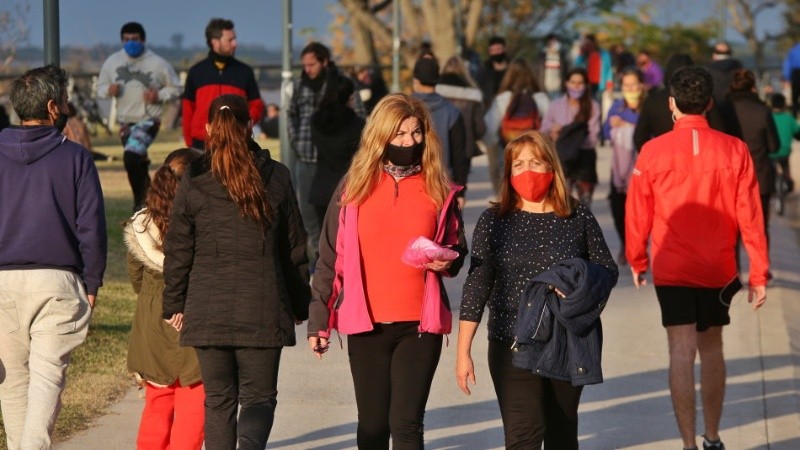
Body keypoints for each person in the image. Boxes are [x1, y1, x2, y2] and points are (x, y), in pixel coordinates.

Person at [307, 93, 468, 450]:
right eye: (399, 135)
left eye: (415, 133)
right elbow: (330, 258)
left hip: (419, 326)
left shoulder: (438, 187)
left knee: (407, 424)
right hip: (367, 326)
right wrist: (320, 319)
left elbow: (457, 248)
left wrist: (448, 260)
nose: (409, 143)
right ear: (380, 137)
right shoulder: (353, 188)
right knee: (374, 426)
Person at [625, 66, 769, 450]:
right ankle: (713, 437)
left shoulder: (652, 151)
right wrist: (759, 272)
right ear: (708, 103)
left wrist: (637, 260)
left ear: (672, 104)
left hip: (672, 265)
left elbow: (637, 212)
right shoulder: (735, 149)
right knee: (713, 348)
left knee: (680, 350)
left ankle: (688, 444)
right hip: (718, 267)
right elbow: (751, 216)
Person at [162, 94, 310, 450]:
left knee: (218, 401)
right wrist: (301, 304)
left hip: (207, 310)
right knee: (258, 399)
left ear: (209, 128)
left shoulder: (194, 179)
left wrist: (174, 303)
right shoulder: (276, 177)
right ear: (249, 126)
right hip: (262, 308)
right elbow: (294, 249)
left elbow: (179, 247)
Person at [457, 131, 617, 449]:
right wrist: (463, 351)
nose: (527, 170)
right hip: (511, 343)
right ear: (508, 173)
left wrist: (578, 286)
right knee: (523, 436)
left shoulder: (577, 215)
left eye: (535, 162)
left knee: (562, 433)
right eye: (518, 164)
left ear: (551, 167)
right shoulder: (494, 221)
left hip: (567, 341)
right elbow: (477, 286)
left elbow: (606, 271)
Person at [0, 64, 107, 450]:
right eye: (63, 101)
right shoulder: (75, 158)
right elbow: (91, 228)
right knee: (46, 384)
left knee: (12, 385)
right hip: (57, 281)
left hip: (2, 284)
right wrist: (92, 281)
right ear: (50, 107)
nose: (67, 107)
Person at [124, 148, 205, 450]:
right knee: (194, 405)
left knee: (157, 404)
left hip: (153, 324)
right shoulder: (204, 224)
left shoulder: (142, 227)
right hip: (193, 319)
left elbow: (136, 279)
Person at [288, 41, 366, 271]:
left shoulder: (341, 84)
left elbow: (359, 114)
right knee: (308, 210)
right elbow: (291, 114)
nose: (308, 69)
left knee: (339, 208)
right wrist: (295, 139)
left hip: (334, 155)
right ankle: (319, 256)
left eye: (312, 64)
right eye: (305, 65)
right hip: (306, 153)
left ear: (324, 62)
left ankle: (338, 258)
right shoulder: (300, 85)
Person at [97, 21, 181, 212]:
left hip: (149, 119)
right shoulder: (113, 62)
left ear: (143, 40)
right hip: (125, 120)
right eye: (126, 40)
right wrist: (109, 90)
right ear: (121, 41)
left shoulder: (158, 63)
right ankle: (152, 203)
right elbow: (99, 87)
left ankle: (139, 204)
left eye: (134, 39)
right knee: (138, 164)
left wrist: (158, 95)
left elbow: (176, 88)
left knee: (131, 157)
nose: (130, 43)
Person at [181, 18, 263, 149]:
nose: (235, 43)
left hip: (236, 143)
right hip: (200, 143)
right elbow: (187, 109)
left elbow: (257, 105)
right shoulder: (196, 72)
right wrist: (189, 141)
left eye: (234, 38)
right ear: (215, 42)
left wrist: (242, 123)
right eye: (230, 40)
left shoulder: (245, 71)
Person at [726, 69, 780, 244]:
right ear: (752, 87)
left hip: (729, 178)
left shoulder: (722, 109)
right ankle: (761, 270)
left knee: (731, 232)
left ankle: (733, 271)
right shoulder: (762, 110)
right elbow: (774, 145)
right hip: (760, 176)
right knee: (760, 230)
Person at [484, 58, 550, 194]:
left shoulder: (502, 99)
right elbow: (549, 127)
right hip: (535, 153)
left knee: (508, 193)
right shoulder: (540, 98)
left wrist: (493, 151)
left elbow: (490, 129)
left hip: (508, 151)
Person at [308, 73, 365, 224]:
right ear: (349, 98)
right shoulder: (357, 125)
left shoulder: (315, 121)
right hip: (348, 190)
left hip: (321, 189)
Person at [411, 57, 469, 205]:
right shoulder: (451, 111)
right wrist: (461, 191)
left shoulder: (404, 108)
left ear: (415, 80)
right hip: (443, 184)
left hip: (409, 181)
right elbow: (459, 156)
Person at [602, 68, 645, 265]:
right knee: (619, 209)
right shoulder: (617, 107)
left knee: (642, 211)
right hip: (619, 168)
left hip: (643, 168)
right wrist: (612, 125)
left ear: (642, 86)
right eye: (626, 85)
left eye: (634, 85)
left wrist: (628, 125)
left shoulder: (648, 107)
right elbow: (604, 131)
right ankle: (625, 244)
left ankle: (640, 247)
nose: (630, 89)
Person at [541, 67, 601, 206]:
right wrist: (553, 130)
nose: (576, 86)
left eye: (580, 83)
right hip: (562, 160)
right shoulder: (556, 105)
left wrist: (568, 135)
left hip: (584, 161)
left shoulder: (593, 106)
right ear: (566, 83)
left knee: (585, 206)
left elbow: (592, 137)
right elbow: (544, 128)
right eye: (573, 82)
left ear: (586, 85)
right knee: (560, 205)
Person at [436, 55, 487, 184]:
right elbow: (480, 127)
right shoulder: (472, 95)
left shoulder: (436, 94)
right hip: (465, 147)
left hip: (439, 145)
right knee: (459, 188)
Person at [769, 93, 799, 191]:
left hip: (770, 152)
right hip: (784, 152)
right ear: (784, 104)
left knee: (770, 170)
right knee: (785, 165)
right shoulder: (789, 118)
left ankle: (772, 184)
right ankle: (788, 181)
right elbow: (798, 132)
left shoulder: (768, 117)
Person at [706, 41, 743, 106]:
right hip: (736, 107)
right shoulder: (740, 70)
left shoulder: (708, 71)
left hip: (714, 108)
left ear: (714, 54)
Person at [478, 35, 510, 107]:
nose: (495, 53)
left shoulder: (512, 68)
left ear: (504, 49)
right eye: (492, 50)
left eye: (498, 49)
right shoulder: (484, 69)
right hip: (489, 106)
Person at [783, 42, 800, 117]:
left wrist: (787, 77)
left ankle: (794, 115)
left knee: (795, 97)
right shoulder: (793, 50)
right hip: (795, 72)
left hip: (795, 74)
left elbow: (787, 64)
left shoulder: (793, 50)